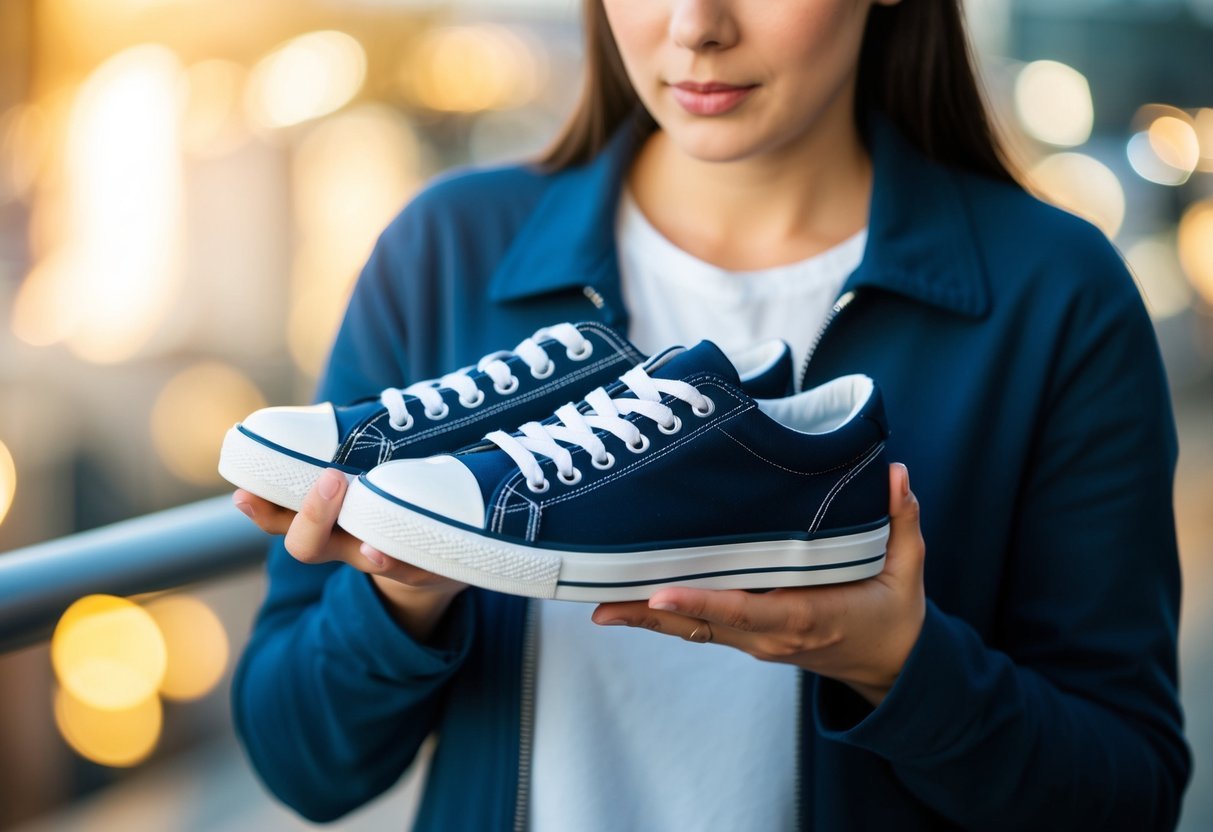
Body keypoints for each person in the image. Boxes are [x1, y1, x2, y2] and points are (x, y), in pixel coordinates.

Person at [230, 1, 1191, 829]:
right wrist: (403, 593)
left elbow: (1126, 794)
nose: (696, 27)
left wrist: (899, 666)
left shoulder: (1053, 295)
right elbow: (300, 763)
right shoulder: (449, 252)